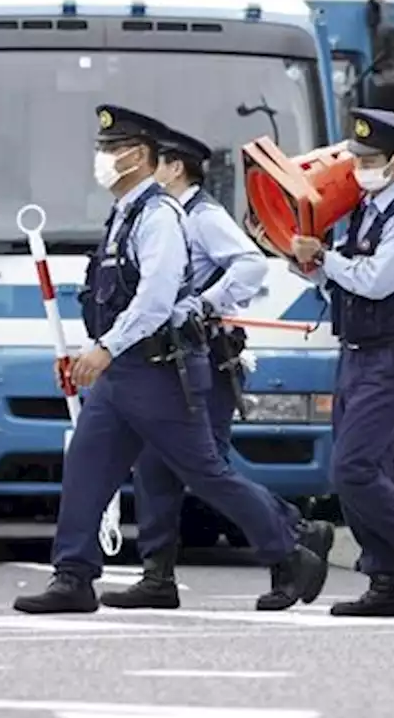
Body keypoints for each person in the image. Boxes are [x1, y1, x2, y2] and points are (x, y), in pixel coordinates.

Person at [14, 105, 329, 615]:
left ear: (138, 156)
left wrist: (106, 348)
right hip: (124, 371)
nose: (102, 159)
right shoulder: (124, 215)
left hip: (160, 371)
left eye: (111, 150)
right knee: (87, 466)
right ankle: (72, 576)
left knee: (205, 473)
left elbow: (156, 301)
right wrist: (92, 351)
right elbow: (115, 299)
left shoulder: (160, 216)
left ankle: (290, 550)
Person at [98, 123, 332, 611]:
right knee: (156, 468)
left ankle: (292, 538)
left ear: (174, 167)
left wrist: (203, 303)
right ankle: (157, 575)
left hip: (203, 358)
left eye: (152, 161)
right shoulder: (162, 214)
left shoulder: (200, 216)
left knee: (207, 468)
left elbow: (249, 264)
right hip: (169, 361)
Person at [290, 108, 394, 618]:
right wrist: (304, 262)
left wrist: (326, 258)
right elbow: (336, 278)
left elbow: (376, 280)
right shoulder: (359, 211)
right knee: (358, 470)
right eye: (357, 159)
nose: (361, 168)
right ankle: (382, 578)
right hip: (357, 351)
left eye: (373, 159)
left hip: (393, 354)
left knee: (355, 466)